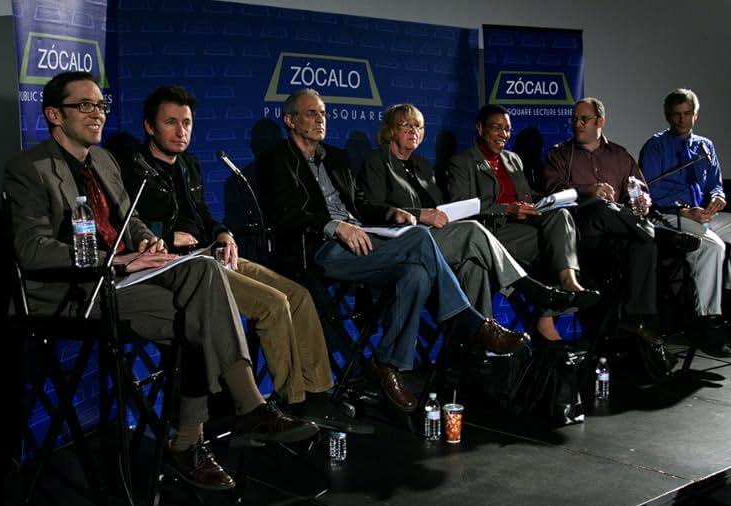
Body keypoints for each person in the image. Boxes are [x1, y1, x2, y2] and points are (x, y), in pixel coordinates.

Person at [4, 72, 317, 492]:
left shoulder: (103, 161)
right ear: (53, 114)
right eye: (85, 105)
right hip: (76, 293)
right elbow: (33, 250)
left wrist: (145, 241)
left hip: (126, 279)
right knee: (199, 311)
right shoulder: (28, 168)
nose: (97, 113)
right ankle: (212, 427)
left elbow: (127, 221)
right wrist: (117, 260)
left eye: (101, 105)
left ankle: (222, 421)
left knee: (204, 275)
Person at [256, 89, 539, 413]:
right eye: (311, 114)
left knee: (416, 274)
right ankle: (474, 323)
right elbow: (283, 217)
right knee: (420, 239)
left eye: (323, 113)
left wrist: (393, 214)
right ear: (289, 121)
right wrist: (333, 226)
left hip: (367, 241)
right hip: (321, 249)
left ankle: (387, 366)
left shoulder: (335, 157)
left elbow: (362, 204)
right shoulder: (274, 161)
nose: (320, 119)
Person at [116, 85, 337, 419]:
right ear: (150, 127)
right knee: (273, 304)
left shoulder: (188, 164)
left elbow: (202, 214)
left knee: (298, 295)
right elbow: (130, 226)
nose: (181, 131)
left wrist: (222, 232)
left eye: (187, 123)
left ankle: (319, 392)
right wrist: (170, 238)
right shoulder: (132, 169)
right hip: (177, 266)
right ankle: (293, 404)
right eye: (171, 122)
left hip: (209, 251)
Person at [360, 103, 599, 342]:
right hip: (406, 240)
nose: (413, 131)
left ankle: (480, 342)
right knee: (474, 231)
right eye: (405, 125)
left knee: (475, 263)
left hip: (439, 237)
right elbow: (370, 209)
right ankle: (534, 292)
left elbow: (443, 206)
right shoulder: (377, 161)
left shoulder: (421, 165)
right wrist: (418, 213)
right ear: (391, 129)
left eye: (418, 126)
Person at [639, 88, 731, 352]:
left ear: (695, 115)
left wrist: (717, 199)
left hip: (703, 214)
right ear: (667, 116)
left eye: (686, 114)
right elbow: (650, 189)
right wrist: (684, 209)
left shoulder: (705, 146)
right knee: (713, 246)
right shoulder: (655, 145)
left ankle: (730, 294)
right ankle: (704, 320)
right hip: (670, 216)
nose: (681, 120)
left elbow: (715, 185)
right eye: (675, 115)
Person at [544, 97, 661, 345]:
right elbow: (552, 190)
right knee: (600, 206)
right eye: (574, 119)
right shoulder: (560, 154)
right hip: (581, 231)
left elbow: (640, 190)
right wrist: (589, 190)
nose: (577, 124)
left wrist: (642, 202)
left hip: (617, 234)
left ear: (600, 122)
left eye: (583, 119)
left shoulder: (620, 155)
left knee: (645, 246)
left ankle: (634, 318)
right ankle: (656, 231)